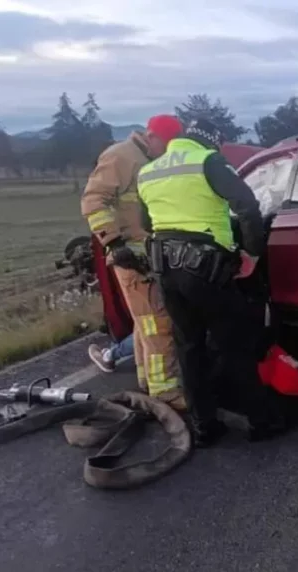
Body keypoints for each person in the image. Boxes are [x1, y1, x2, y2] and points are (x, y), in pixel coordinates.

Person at [138, 118, 286, 447]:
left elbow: (145, 222)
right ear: (207, 141)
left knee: (189, 347)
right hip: (205, 269)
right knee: (234, 343)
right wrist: (252, 252)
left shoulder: (149, 171)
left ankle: (205, 426)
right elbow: (247, 205)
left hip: (165, 270)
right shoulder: (207, 161)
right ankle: (261, 422)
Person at [81, 115, 185, 408]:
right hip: (130, 254)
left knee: (144, 324)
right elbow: (93, 201)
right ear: (152, 137)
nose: (167, 152)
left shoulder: (144, 157)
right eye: (166, 145)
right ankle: (166, 392)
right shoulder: (121, 156)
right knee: (158, 325)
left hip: (144, 252)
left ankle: (147, 378)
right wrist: (114, 243)